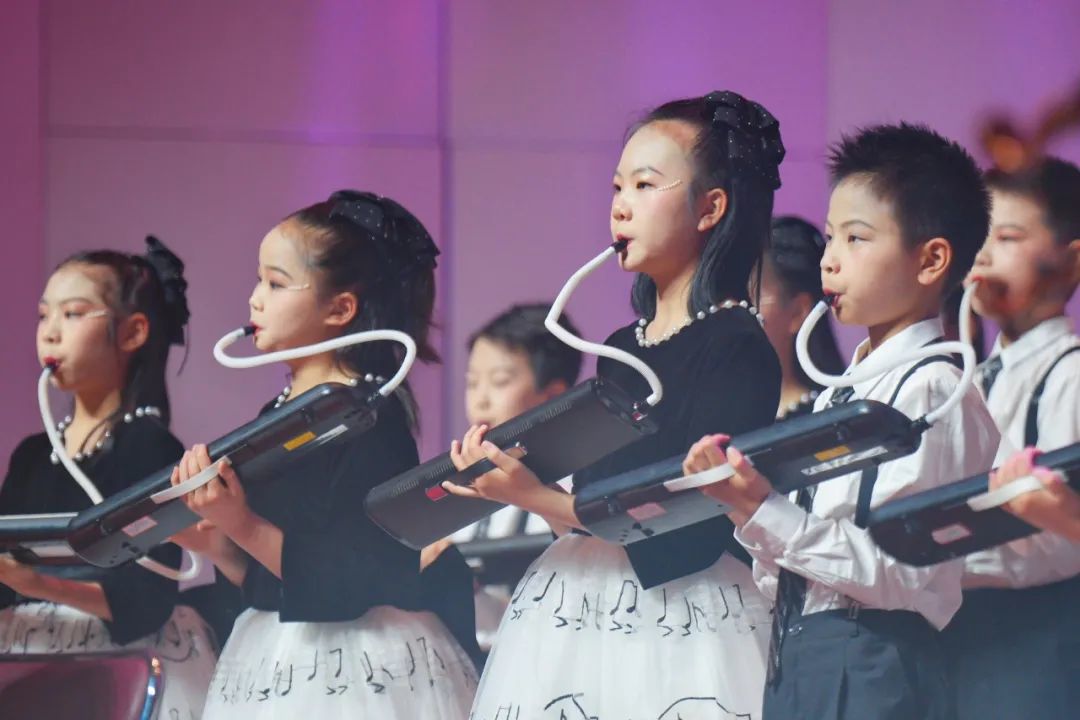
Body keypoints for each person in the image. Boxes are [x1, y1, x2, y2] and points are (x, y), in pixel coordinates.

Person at [444, 91, 785, 719]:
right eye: (617, 187)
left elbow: (683, 523)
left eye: (645, 185)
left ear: (710, 208)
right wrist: (523, 481)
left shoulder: (738, 346)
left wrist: (534, 496)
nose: (620, 206)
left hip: (682, 621)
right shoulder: (623, 346)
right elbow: (595, 506)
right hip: (579, 605)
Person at [684, 122, 1000, 719]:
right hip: (803, 651)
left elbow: (899, 571)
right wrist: (747, 506)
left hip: (875, 658)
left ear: (932, 260)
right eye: (831, 238)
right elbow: (796, 575)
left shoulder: (934, 388)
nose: (829, 261)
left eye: (856, 239)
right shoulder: (846, 391)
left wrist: (760, 509)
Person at [170, 191, 478, 718]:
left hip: (356, 671)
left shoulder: (369, 420)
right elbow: (274, 581)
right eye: (258, 280)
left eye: (275, 283)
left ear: (341, 308)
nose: (254, 300)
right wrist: (221, 543)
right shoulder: (277, 413)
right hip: (274, 660)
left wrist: (241, 525)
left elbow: (350, 579)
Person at [0, 238, 217, 717]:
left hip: (116, 668)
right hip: (27, 663)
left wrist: (35, 583)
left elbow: (147, 600)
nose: (50, 332)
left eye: (73, 314)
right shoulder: (33, 455)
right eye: (43, 315)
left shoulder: (151, 448)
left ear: (133, 332)